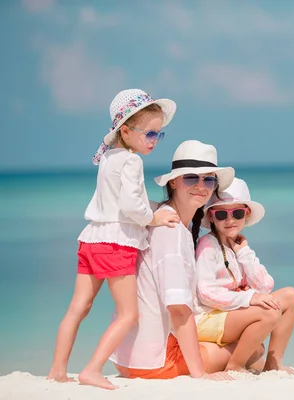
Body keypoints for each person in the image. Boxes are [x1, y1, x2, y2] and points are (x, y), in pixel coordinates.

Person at [46, 89, 179, 390]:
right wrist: (154, 218)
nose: (154, 140)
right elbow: (132, 206)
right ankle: (92, 369)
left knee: (78, 307)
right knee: (129, 315)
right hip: (116, 242)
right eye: (150, 133)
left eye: (160, 134)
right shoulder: (131, 161)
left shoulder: (109, 157)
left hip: (91, 238)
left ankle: (57, 369)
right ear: (126, 130)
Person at [110, 140, 261, 380]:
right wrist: (199, 374)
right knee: (254, 350)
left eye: (208, 180)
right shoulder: (170, 230)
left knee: (246, 344)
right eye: (191, 178)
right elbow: (179, 309)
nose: (201, 186)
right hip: (155, 362)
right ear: (174, 182)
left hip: (130, 357)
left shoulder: (161, 217)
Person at [195, 177, 294, 373]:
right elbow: (205, 293)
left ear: (246, 214)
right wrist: (249, 298)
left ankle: (273, 363)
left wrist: (244, 252)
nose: (230, 220)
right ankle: (234, 366)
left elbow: (265, 286)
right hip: (207, 317)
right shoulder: (207, 246)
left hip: (229, 313)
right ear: (211, 217)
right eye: (221, 214)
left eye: (237, 213)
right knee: (269, 311)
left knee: (292, 296)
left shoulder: (238, 246)